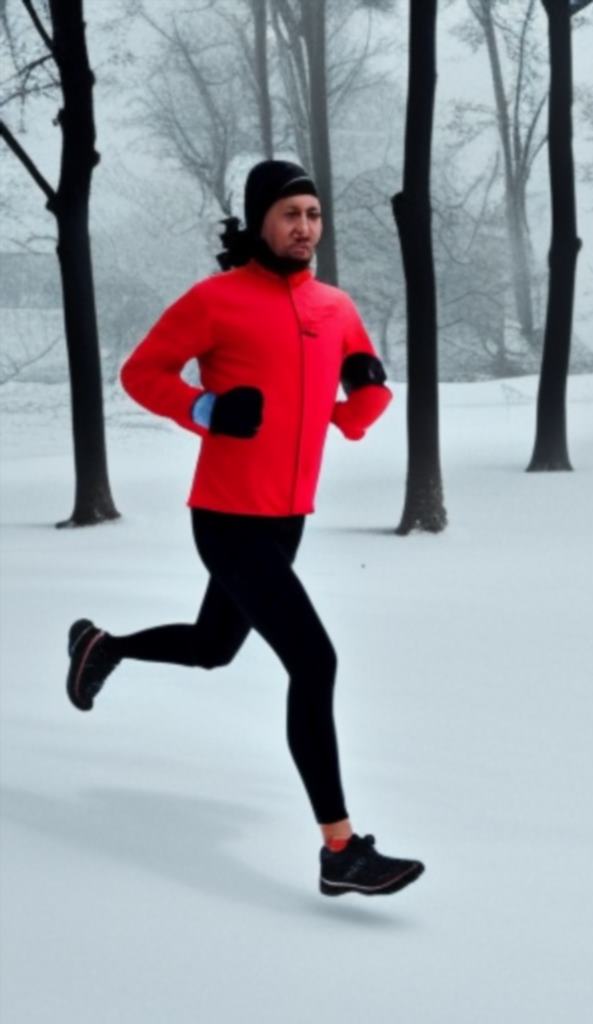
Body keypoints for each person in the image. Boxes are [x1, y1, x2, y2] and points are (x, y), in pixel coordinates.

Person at [65, 159, 424, 898]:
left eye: (314, 215)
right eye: (291, 214)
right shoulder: (215, 300)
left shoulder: (335, 306)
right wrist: (205, 410)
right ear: (260, 221)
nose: (305, 227)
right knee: (315, 663)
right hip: (227, 518)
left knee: (211, 649)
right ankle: (339, 848)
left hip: (288, 516)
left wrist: (366, 392)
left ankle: (103, 647)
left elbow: (357, 404)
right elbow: (143, 373)